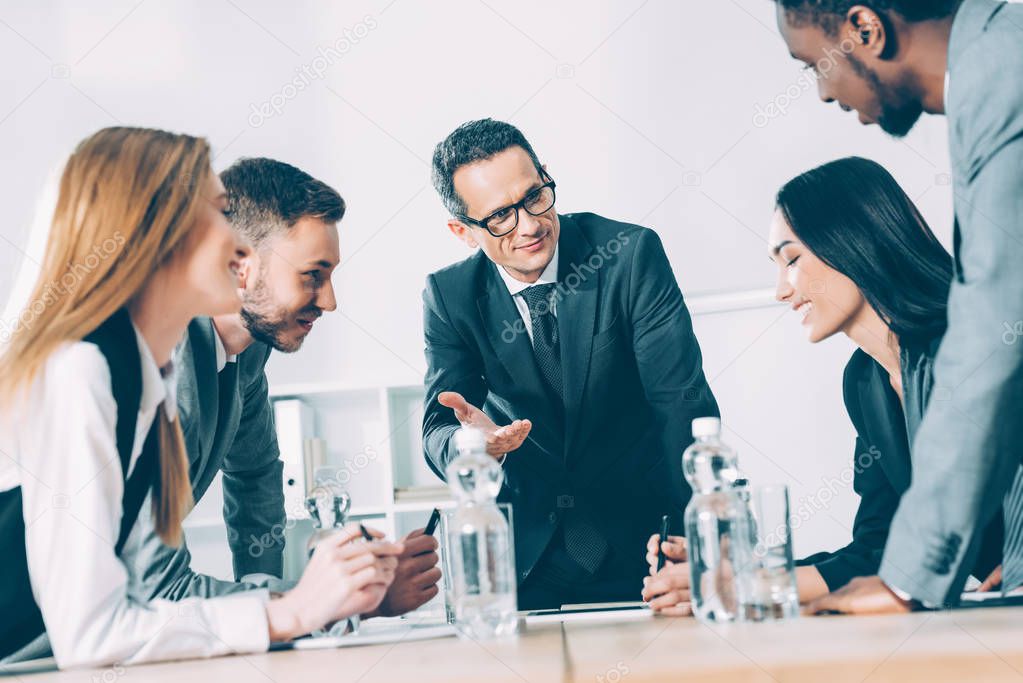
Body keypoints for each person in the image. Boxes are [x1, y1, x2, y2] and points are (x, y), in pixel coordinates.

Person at [0, 128, 403, 668]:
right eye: (217, 213)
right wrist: (296, 609)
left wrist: (323, 601)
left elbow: (254, 477)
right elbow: (96, 632)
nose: (239, 243)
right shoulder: (82, 370)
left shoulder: (147, 373)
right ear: (158, 237)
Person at [642, 157, 1003, 614]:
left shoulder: (968, 345)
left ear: (853, 242)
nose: (781, 290)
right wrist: (743, 580)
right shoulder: (864, 382)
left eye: (791, 259)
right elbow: (881, 548)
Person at [771, 0, 1023, 613]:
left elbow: (996, 323)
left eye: (814, 64)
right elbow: (878, 543)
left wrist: (911, 581)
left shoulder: (1004, 81)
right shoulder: (866, 381)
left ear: (865, 28)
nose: (824, 94)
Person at [421, 118, 719, 609]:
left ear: (546, 176)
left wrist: (692, 543)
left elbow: (679, 404)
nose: (531, 225)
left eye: (536, 196)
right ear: (462, 231)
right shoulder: (450, 296)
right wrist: (476, 445)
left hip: (646, 545)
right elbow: (438, 426)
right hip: (530, 558)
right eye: (500, 217)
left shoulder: (628, 255)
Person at [127, 157, 441, 621]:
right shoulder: (159, 365)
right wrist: (324, 602)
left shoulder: (247, 352)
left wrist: (274, 598)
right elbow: (161, 593)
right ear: (238, 267)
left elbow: (256, 477)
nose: (330, 301)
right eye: (313, 275)